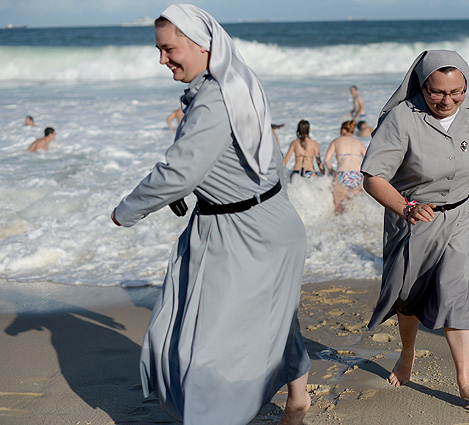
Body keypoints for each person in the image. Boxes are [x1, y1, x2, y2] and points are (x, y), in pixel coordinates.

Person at [111, 5, 311, 424]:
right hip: (271, 221)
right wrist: (205, 188)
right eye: (158, 50)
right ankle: (298, 398)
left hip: (243, 233)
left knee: (208, 348)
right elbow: (262, 158)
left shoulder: (214, 99)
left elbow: (178, 173)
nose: (162, 59)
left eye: (168, 49)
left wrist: (125, 211)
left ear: (201, 45)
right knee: (275, 316)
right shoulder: (237, 82)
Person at [360, 50, 469, 406]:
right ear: (422, 86)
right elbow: (373, 177)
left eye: (456, 92)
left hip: (461, 213)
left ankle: (465, 379)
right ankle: (407, 352)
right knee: (409, 293)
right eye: (437, 92)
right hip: (414, 216)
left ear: (466, 86)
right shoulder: (401, 119)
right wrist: (406, 207)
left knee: (455, 289)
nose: (447, 100)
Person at [324, 120, 367, 214]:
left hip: (342, 174)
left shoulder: (336, 141)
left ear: (343, 130)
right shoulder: (359, 143)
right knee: (356, 208)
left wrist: (331, 171)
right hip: (357, 175)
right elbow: (368, 160)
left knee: (339, 208)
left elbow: (327, 160)